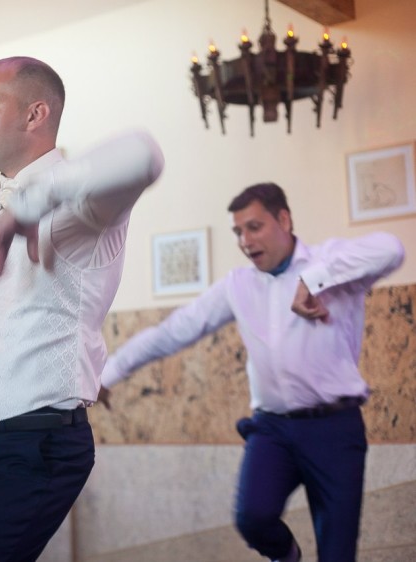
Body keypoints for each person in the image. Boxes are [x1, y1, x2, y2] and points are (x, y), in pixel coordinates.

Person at [0, 55, 164, 561]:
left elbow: (143, 154)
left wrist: (32, 203)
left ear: (35, 115)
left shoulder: (84, 202)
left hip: (38, 441)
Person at [99, 183, 405, 562]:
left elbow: (391, 248)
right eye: (238, 232)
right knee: (252, 519)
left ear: (284, 220)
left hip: (334, 430)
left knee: (337, 552)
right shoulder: (238, 285)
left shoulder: (330, 262)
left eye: (254, 227)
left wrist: (313, 280)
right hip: (273, 430)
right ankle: (287, 556)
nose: (245, 241)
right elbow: (174, 331)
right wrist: (108, 374)